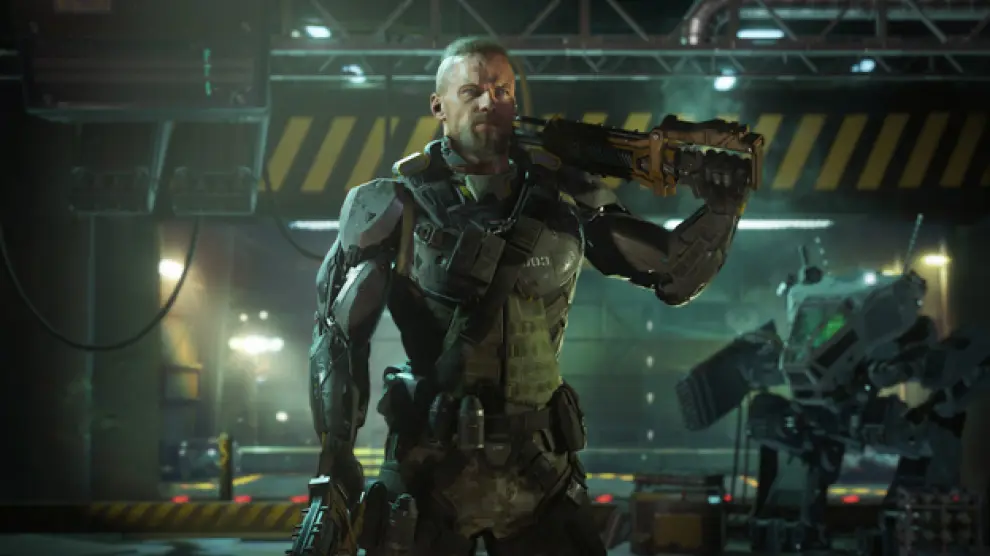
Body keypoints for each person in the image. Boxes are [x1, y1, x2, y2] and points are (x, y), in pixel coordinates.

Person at [306, 36, 753, 556]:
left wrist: (722, 210)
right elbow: (337, 335)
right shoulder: (390, 203)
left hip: (539, 471)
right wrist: (335, 456)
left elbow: (673, 275)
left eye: (501, 91)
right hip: (428, 467)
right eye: (471, 91)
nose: (488, 102)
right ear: (438, 106)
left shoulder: (565, 195)